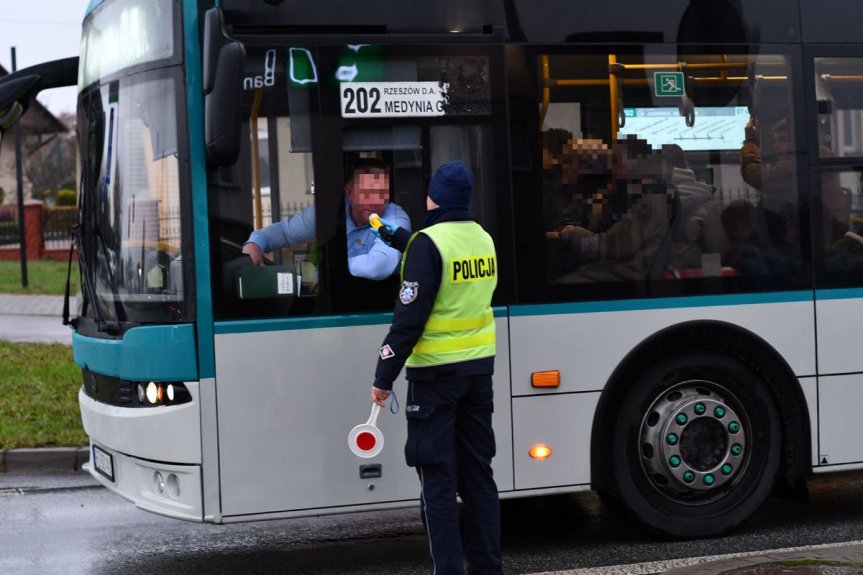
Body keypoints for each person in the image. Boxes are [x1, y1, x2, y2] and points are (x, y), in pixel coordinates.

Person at [371, 161, 501, 575]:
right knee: (478, 477)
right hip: (478, 374)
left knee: (438, 480)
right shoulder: (482, 238)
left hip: (435, 379)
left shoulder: (428, 244)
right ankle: (487, 568)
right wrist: (398, 239)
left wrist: (382, 376)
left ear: (435, 197)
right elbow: (449, 269)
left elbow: (408, 320)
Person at [242, 158, 411, 280]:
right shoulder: (331, 210)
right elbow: (286, 232)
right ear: (350, 193)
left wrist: (321, 271)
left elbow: (376, 267)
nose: (376, 201)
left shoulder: (395, 218)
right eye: (368, 193)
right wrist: (256, 243)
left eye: (382, 194)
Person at [661, 143, 728, 269]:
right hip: (696, 280)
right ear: (686, 164)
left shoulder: (648, 202)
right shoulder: (703, 203)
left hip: (657, 280)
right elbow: (717, 250)